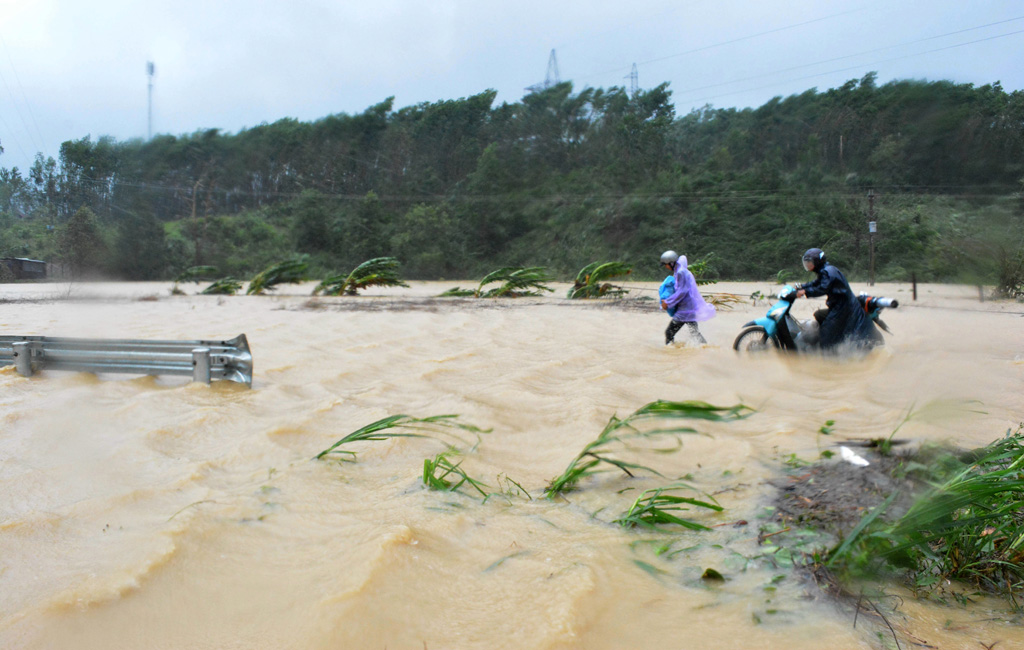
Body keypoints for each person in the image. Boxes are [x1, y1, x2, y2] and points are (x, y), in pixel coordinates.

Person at [794, 248, 880, 350]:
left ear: (817, 262)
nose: (807, 265)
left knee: (827, 331)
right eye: (806, 262)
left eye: (809, 262)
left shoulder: (828, 272)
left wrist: (805, 292)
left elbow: (823, 288)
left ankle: (828, 355)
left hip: (842, 308)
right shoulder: (825, 270)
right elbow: (817, 283)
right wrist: (802, 286)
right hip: (840, 306)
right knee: (818, 315)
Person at [659, 250, 715, 345]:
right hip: (689, 308)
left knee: (669, 333)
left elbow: (682, 292)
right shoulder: (680, 271)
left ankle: (670, 353)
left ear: (671, 263)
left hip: (685, 310)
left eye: (666, 264)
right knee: (694, 333)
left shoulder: (681, 272)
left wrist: (668, 302)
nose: (666, 267)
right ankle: (706, 348)